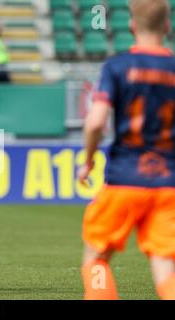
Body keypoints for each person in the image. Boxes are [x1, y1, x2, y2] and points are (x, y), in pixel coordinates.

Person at [78, 0, 175, 300]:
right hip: (168, 183)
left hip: (123, 179)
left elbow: (95, 123)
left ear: (132, 25)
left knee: (96, 258)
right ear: (167, 27)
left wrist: (89, 161)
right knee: (165, 266)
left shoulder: (116, 66)